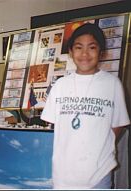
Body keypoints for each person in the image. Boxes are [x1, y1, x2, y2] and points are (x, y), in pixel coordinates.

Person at [41, 23, 130, 189]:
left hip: (99, 174)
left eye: (92, 47)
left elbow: (118, 125)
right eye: (78, 47)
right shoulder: (60, 86)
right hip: (63, 175)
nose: (84, 54)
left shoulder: (112, 85)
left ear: (101, 52)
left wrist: (99, 142)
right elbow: (55, 124)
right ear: (70, 52)